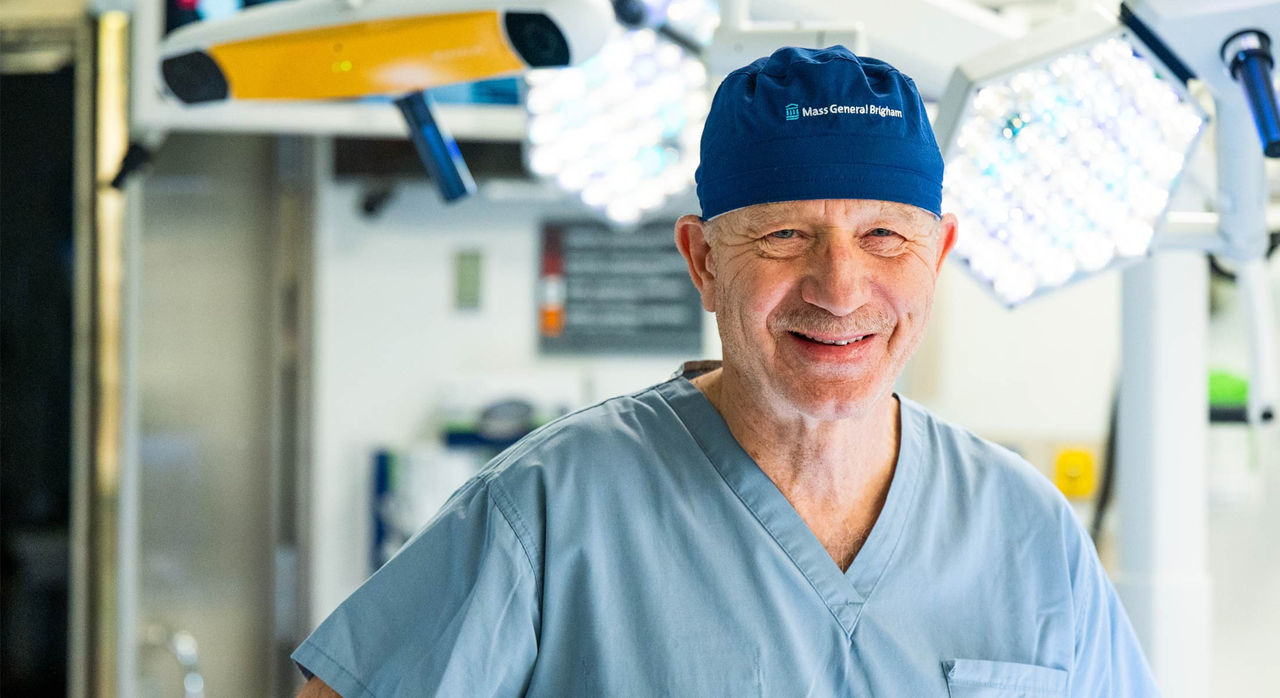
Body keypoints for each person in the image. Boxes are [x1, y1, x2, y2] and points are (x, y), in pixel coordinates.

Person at [295, 46, 1159, 697]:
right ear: (703, 260)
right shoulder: (554, 509)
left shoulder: (1026, 533)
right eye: (786, 236)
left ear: (939, 256)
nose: (840, 287)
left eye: (884, 237)